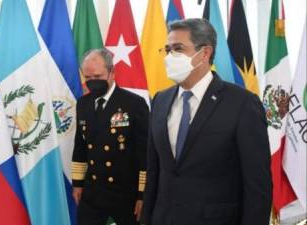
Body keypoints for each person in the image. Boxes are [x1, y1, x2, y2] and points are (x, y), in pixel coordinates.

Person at [140, 18, 272, 225]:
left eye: (178, 49)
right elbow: (154, 170)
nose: (169, 57)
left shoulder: (242, 103)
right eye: (167, 49)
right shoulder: (160, 100)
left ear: (205, 53)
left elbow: (257, 184)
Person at [72, 48, 149, 225]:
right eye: (88, 78)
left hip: (125, 191)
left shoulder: (134, 104)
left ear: (112, 73)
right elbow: (80, 145)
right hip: (93, 190)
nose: (92, 82)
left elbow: (145, 153)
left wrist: (143, 195)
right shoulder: (83, 104)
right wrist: (78, 183)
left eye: (97, 77)